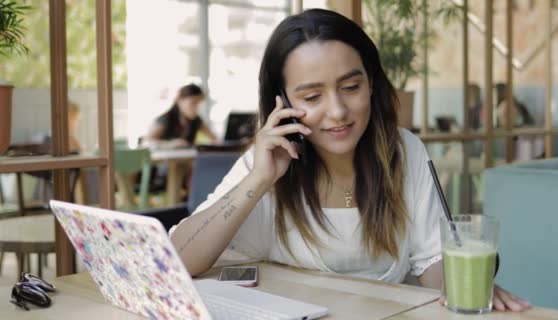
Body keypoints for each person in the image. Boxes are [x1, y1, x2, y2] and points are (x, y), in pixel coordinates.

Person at [170, 9, 530, 312]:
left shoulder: (405, 151)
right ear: (282, 102)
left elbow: (432, 263)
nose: (338, 111)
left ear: (371, 83)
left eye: (351, 87)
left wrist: (461, 288)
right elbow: (176, 260)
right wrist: (258, 180)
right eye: (312, 96)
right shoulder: (266, 161)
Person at [146, 83, 218, 149]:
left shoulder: (197, 121)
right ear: (180, 100)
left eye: (200, 104)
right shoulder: (165, 119)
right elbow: (146, 143)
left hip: (186, 161)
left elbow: (215, 140)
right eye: (193, 103)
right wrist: (170, 144)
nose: (197, 108)